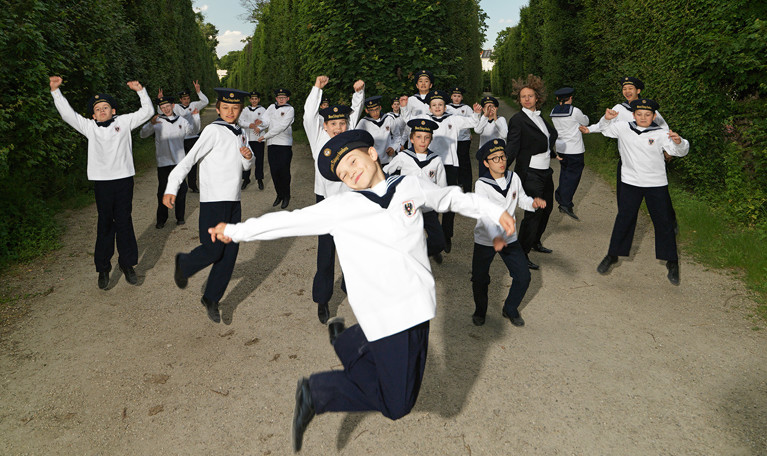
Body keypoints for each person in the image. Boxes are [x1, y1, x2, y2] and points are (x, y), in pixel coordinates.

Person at [207, 129, 516, 453]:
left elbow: (451, 197)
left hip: (419, 307)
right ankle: (316, 391)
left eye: (352, 161)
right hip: (385, 315)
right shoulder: (340, 208)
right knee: (397, 405)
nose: (350, 173)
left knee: (402, 389)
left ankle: (348, 341)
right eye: (342, 173)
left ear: (371, 153)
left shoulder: (407, 185)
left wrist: (494, 211)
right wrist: (235, 230)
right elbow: (289, 222)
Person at [49, 75, 154, 289]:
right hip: (102, 183)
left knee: (124, 222)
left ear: (113, 111)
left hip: (123, 180)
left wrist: (140, 91)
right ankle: (103, 268)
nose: (102, 111)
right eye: (97, 109)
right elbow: (68, 115)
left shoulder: (124, 122)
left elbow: (148, 112)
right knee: (105, 224)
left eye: (105, 107)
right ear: (93, 114)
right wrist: (55, 91)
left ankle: (127, 264)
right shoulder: (89, 127)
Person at [163, 88, 253, 323]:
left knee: (230, 253)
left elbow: (246, 167)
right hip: (213, 200)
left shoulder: (241, 132)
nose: (230, 112)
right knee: (214, 249)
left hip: (234, 200)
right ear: (218, 107)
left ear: (240, 110)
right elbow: (188, 160)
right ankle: (184, 262)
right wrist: (172, 187)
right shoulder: (213, 131)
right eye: (225, 108)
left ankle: (211, 298)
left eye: (235, 108)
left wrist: (247, 157)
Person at [593, 99, 689, 285]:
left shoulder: (661, 133)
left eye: (647, 115)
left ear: (654, 116)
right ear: (634, 115)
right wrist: (605, 119)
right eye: (639, 114)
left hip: (655, 184)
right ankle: (612, 255)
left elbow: (679, 151)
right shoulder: (623, 127)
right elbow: (604, 130)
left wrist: (680, 142)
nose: (643, 118)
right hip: (631, 182)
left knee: (664, 222)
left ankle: (672, 262)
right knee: (624, 218)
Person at [304, 75, 365, 323]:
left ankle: (351, 287)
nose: (338, 128)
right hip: (326, 202)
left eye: (342, 123)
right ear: (325, 125)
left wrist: (358, 93)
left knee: (352, 247)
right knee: (326, 252)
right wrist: (317, 89)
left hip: (350, 200)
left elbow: (357, 111)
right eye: (333, 124)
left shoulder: (350, 140)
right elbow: (309, 115)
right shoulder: (317, 138)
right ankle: (322, 299)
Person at [471, 139, 546, 327]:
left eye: (503, 156)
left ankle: (510, 309)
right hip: (487, 239)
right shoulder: (482, 184)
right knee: (480, 278)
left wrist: (533, 203)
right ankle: (480, 311)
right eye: (495, 159)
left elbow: (521, 199)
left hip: (509, 238)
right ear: (486, 163)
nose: (501, 161)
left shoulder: (514, 178)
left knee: (523, 276)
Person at [402, 89, 481, 253]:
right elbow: (408, 119)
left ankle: (447, 235)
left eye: (440, 104)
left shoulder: (453, 119)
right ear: (429, 108)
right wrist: (403, 107)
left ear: (445, 106)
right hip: (430, 164)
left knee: (449, 200)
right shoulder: (424, 119)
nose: (437, 107)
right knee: (431, 200)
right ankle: (433, 234)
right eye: (434, 105)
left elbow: (472, 122)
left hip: (450, 165)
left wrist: (477, 113)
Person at [505, 74, 558, 270]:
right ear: (519, 100)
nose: (527, 99)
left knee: (547, 209)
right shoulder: (518, 120)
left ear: (537, 98)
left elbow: (546, 137)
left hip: (545, 172)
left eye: (530, 96)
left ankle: (535, 241)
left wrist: (551, 153)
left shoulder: (539, 117)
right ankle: (521, 252)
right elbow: (512, 147)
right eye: (523, 97)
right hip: (530, 174)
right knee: (533, 212)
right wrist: (501, 168)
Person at [383, 118, 447, 263]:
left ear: (431, 139)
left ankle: (424, 251)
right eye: (418, 137)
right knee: (406, 239)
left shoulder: (435, 160)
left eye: (426, 137)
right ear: (411, 139)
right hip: (408, 208)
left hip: (428, 209)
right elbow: (385, 172)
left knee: (439, 242)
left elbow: (442, 187)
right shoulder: (404, 157)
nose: (422, 141)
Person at [140, 96, 193, 229]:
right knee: (163, 190)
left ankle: (180, 217)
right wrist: (150, 124)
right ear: (160, 109)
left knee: (181, 190)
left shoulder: (181, 120)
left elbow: (191, 132)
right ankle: (161, 219)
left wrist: (195, 118)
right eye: (163, 108)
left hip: (179, 161)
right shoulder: (157, 121)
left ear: (173, 105)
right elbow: (143, 134)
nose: (166, 109)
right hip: (163, 162)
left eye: (168, 106)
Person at [550, 87, 589, 220]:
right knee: (573, 176)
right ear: (570, 98)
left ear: (557, 99)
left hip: (561, 147)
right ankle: (565, 202)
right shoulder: (575, 111)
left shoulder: (553, 111)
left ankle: (561, 197)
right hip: (574, 149)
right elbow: (585, 122)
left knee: (565, 174)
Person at [164, 82, 209, 193]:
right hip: (181, 139)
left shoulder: (194, 105)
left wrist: (198, 91)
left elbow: (205, 101)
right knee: (179, 162)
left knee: (193, 162)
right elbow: (163, 110)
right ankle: (179, 184)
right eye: (184, 99)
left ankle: (193, 185)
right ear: (180, 100)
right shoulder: (176, 107)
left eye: (188, 98)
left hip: (193, 137)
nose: (186, 100)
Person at [257, 88, 295, 209]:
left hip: (284, 144)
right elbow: (265, 121)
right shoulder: (271, 107)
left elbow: (282, 126)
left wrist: (265, 136)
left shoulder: (290, 109)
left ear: (287, 98)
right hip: (272, 144)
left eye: (283, 98)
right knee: (274, 172)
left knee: (284, 172)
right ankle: (279, 194)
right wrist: (260, 124)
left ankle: (286, 195)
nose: (281, 99)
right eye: (279, 98)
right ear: (276, 98)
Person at [356, 96, 404, 165]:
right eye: (371, 110)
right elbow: (357, 139)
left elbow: (397, 136)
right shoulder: (363, 122)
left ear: (380, 108)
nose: (375, 112)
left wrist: (393, 147)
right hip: (373, 161)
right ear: (367, 111)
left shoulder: (388, 119)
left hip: (389, 159)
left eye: (377, 109)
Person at [446, 86, 474, 192]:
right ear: (451, 97)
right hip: (451, 140)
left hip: (463, 139)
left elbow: (472, 121)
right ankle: (454, 184)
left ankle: (466, 186)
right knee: (452, 161)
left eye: (459, 96)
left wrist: (469, 133)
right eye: (454, 96)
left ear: (462, 97)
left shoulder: (466, 108)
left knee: (464, 162)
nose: (456, 98)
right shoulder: (447, 108)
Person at [238, 90, 266, 190]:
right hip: (248, 139)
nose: (254, 101)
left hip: (258, 138)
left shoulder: (263, 110)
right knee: (246, 157)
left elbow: (266, 122)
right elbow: (241, 121)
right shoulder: (245, 109)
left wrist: (260, 124)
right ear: (250, 100)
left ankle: (259, 179)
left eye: (256, 99)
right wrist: (249, 125)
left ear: (258, 100)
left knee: (259, 159)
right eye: (252, 99)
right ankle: (246, 179)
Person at [474, 95, 508, 175]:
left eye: (492, 107)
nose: (489, 110)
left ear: (496, 108)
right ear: (483, 109)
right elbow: (477, 130)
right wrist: (484, 116)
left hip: (498, 153)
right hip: (484, 153)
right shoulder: (481, 120)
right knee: (484, 175)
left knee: (499, 175)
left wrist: (495, 118)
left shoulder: (501, 119)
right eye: (486, 107)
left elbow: (504, 135)